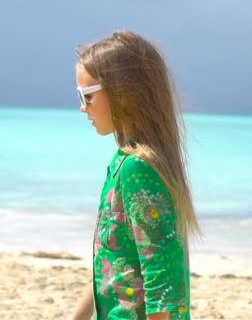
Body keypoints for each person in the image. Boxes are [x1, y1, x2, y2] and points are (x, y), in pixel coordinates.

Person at [70, 30, 200, 320]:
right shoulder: (121, 162)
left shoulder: (138, 169)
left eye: (87, 96)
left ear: (123, 94)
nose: (82, 108)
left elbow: (163, 276)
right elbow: (108, 265)